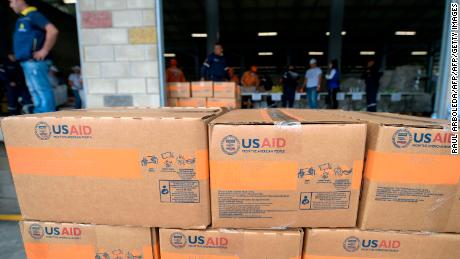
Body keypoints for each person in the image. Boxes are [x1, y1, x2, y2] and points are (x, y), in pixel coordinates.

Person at [10, 0, 59, 113]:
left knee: (41, 89)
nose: (10, 5)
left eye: (12, 2)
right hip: (27, 62)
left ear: (20, 1)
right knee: (34, 90)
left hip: (35, 62)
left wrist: (44, 50)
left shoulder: (34, 15)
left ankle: (47, 115)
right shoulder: (23, 18)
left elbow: (53, 31)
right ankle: (40, 115)